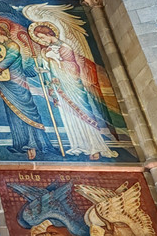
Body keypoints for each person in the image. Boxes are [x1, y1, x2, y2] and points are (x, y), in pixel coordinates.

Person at [30, 24, 118, 160]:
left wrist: (52, 61)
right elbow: (54, 68)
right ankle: (79, 145)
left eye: (42, 37)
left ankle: (95, 146)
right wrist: (45, 70)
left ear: (49, 34)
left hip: (72, 86)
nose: (42, 40)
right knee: (68, 116)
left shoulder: (65, 47)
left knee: (82, 112)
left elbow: (72, 68)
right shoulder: (49, 49)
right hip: (61, 87)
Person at [0, 23, 55, 160]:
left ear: (1, 33)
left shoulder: (12, 46)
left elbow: (8, 60)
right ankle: (21, 143)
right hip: (6, 83)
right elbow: (0, 61)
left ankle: (35, 144)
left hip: (17, 83)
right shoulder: (2, 48)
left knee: (27, 111)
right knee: (13, 114)